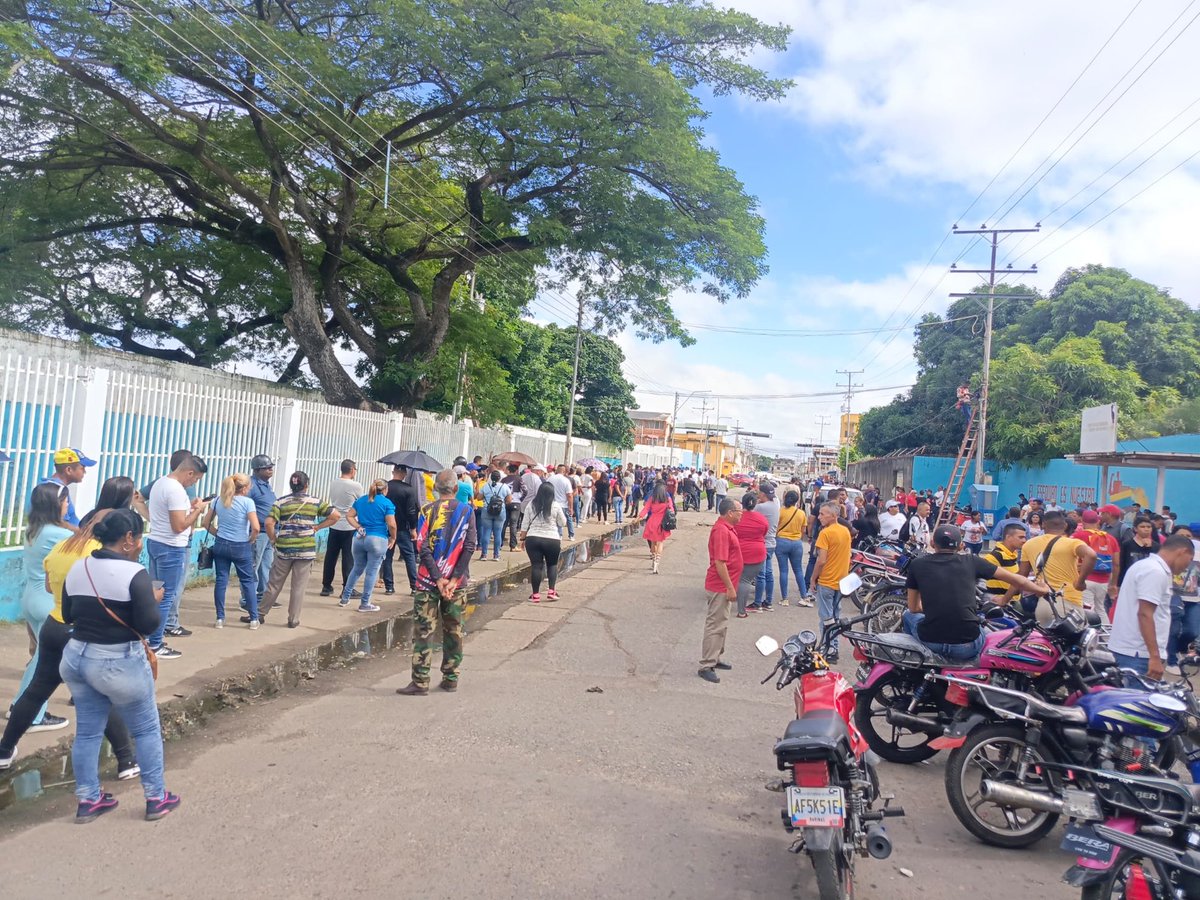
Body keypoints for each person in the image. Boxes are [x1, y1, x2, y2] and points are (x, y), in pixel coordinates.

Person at [0, 480, 140, 775]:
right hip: (85, 634)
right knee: (102, 694)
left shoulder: (63, 546)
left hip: (55, 625)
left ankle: (3, 750)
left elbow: (52, 587)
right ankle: (126, 760)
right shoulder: (98, 556)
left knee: (36, 690)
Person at [59, 508, 181, 823]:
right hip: (117, 661)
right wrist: (151, 599)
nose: (141, 543)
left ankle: (89, 800)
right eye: (139, 537)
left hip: (76, 657)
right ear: (128, 538)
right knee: (145, 729)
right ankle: (156, 797)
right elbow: (149, 623)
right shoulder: (134, 574)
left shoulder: (78, 567)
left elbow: (69, 615)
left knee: (87, 732)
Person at [905, 524, 1047, 661]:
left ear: (932, 543)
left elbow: (913, 608)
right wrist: (1042, 589)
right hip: (968, 646)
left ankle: (915, 661)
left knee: (908, 615)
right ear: (961, 545)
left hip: (931, 642)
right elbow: (1018, 580)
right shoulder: (972, 561)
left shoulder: (917, 564)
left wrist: (932, 608)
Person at [397, 469, 478, 695]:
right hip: (457, 584)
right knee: (454, 629)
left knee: (423, 631)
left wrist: (438, 578)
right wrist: (453, 578)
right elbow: (470, 546)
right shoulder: (467, 511)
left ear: (435, 489)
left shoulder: (427, 510)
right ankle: (451, 677)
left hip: (427, 582)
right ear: (455, 489)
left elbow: (421, 547)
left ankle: (420, 682)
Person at [12, 483, 74, 732]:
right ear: (55, 504)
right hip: (49, 601)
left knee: (39, 658)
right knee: (45, 664)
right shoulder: (58, 534)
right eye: (66, 501)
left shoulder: (35, 529)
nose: (68, 505)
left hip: (31, 597)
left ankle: (21, 706)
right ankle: (33, 716)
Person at [253, 471, 339, 628]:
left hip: (284, 548)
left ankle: (260, 614)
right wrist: (318, 527)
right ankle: (293, 619)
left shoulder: (280, 502)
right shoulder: (315, 502)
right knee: (298, 587)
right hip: (306, 549)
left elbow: (269, 523)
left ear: (291, 485)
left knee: (274, 584)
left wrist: (273, 539)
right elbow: (335, 515)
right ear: (306, 485)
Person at [145, 453, 210, 659]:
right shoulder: (175, 490)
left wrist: (190, 508)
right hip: (171, 548)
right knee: (165, 597)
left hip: (156, 543)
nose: (194, 482)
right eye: (196, 478)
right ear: (189, 472)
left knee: (156, 593)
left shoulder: (160, 484)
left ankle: (149, 638)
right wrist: (198, 510)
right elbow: (179, 526)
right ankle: (155, 644)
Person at [1108, 534, 1196, 679]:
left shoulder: (1146, 566)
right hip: (1138, 653)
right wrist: (1154, 657)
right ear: (1182, 552)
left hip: (1135, 651)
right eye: (1190, 560)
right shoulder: (1155, 571)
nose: (1188, 566)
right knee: (1137, 699)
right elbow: (1145, 614)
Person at [202, 473, 260, 629]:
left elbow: (205, 522)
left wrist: (217, 534)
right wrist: (251, 539)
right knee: (247, 581)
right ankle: (254, 619)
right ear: (245, 488)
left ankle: (220, 618)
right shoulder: (248, 502)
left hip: (221, 544)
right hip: (241, 545)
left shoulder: (218, 501)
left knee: (221, 580)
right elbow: (256, 527)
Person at [698, 498, 744, 683]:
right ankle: (706, 664)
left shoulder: (727, 529)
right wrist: (730, 587)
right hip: (720, 586)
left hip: (725, 584)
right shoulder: (721, 531)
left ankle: (715, 656)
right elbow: (720, 562)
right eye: (739, 511)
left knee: (722, 623)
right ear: (730, 513)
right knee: (715, 625)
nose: (742, 515)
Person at [1014, 510, 1096, 612]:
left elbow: (1021, 576)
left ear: (1043, 524)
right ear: (1065, 525)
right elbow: (1091, 555)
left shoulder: (1029, 544)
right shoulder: (1073, 543)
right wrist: (1080, 582)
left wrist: (1005, 599)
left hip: (1045, 603)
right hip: (1070, 603)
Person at [340, 479, 397, 612]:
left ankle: (345, 598)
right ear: (385, 490)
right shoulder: (387, 503)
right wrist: (393, 538)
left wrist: (358, 526)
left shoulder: (361, 500)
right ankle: (365, 603)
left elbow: (349, 516)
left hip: (359, 538)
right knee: (371, 572)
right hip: (377, 539)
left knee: (356, 568)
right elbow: (392, 524)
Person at [811, 502, 852, 661]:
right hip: (841, 581)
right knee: (834, 616)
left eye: (823, 514)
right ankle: (833, 648)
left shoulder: (825, 533)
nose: (819, 517)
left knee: (826, 618)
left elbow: (821, 561)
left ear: (834, 516)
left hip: (827, 581)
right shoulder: (845, 531)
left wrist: (813, 579)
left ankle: (829, 648)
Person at [320, 459, 363, 598]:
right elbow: (360, 503)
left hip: (334, 523)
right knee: (348, 558)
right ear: (352, 470)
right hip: (349, 525)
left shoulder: (333, 482)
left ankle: (326, 586)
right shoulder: (356, 486)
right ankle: (347, 588)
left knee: (330, 556)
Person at [519, 481, 568, 602]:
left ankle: (535, 595)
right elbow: (563, 523)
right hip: (552, 539)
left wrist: (522, 539)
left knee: (536, 566)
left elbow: (524, 524)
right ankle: (551, 591)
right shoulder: (555, 505)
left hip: (533, 538)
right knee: (552, 565)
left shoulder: (531, 504)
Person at [1072, 509, 1121, 613]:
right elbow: (1116, 564)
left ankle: (1091, 629)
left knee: (1087, 610)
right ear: (1098, 521)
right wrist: (1113, 584)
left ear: (1082, 521)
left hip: (1084, 579)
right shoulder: (1110, 538)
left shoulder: (1078, 536)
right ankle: (1106, 629)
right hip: (1104, 580)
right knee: (1101, 609)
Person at [382, 464, 421, 595]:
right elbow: (411, 511)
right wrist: (413, 528)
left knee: (387, 556)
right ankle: (414, 586)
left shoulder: (384, 488)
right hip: (402, 528)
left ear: (393, 472)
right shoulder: (408, 489)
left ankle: (389, 587)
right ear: (404, 474)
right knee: (409, 556)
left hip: (386, 527)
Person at [248, 455, 277, 610]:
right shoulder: (251, 486)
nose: (270, 470)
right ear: (258, 470)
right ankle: (247, 600)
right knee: (253, 567)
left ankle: (262, 596)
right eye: (267, 468)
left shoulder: (266, 485)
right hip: (257, 531)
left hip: (268, 531)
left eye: (271, 467)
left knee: (265, 567)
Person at [41, 447, 96, 528]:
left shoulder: (56, 487)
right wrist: (82, 534)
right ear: (69, 470)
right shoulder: (55, 490)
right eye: (82, 468)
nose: (85, 472)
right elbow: (60, 523)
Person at [734, 493, 768, 618]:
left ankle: (728, 603)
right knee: (746, 580)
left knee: (736, 579)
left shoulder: (737, 517)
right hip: (757, 553)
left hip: (737, 551)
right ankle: (742, 611)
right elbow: (764, 532)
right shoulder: (761, 518)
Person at [775, 489, 811, 608]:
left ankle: (785, 598)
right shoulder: (801, 513)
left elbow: (775, 528)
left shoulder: (780, 511)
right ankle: (804, 596)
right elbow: (803, 530)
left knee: (783, 571)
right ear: (797, 500)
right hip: (796, 543)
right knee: (798, 570)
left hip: (781, 541)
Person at [750, 482, 780, 612]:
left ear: (762, 494)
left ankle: (757, 603)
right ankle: (768, 601)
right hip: (772, 542)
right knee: (769, 573)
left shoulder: (761, 507)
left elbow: (749, 512)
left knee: (760, 575)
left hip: (763, 543)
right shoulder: (776, 505)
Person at [983, 523, 1027, 598]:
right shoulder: (994, 557)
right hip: (1002, 603)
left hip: (1013, 600)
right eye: (1021, 537)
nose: (1024, 540)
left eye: (1024, 537)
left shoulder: (1013, 554)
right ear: (1008, 537)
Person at [640, 481, 676, 575]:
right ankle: (657, 563)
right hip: (662, 523)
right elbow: (671, 509)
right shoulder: (667, 498)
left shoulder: (652, 498)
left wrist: (638, 517)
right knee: (660, 542)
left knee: (653, 543)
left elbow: (645, 509)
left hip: (652, 522)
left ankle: (653, 559)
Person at [476, 469, 510, 562]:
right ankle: (496, 555)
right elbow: (509, 500)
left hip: (487, 511)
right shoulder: (504, 487)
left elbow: (479, 498)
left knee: (486, 532)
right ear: (500, 478)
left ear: (491, 478)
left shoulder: (486, 486)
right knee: (498, 533)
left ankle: (484, 554)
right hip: (500, 512)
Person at [1119, 516, 1160, 588]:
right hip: (1129, 582)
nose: (1146, 529)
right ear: (1135, 529)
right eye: (1142, 527)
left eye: (1148, 527)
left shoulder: (1157, 546)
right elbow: (1121, 565)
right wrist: (1118, 584)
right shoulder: (1127, 544)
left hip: (1149, 583)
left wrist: (1149, 548)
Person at [549, 465, 576, 540]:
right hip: (563, 504)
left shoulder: (550, 479)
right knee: (567, 519)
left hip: (551, 503)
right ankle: (571, 535)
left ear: (557, 470)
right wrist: (571, 507)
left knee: (553, 520)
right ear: (564, 471)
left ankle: (557, 535)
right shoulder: (565, 480)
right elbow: (570, 495)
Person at [501, 463, 523, 549]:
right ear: (516, 471)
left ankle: (500, 543)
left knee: (503, 523)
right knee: (513, 524)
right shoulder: (519, 479)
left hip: (505, 502)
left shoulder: (503, 480)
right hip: (516, 503)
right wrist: (520, 499)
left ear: (509, 470)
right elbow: (525, 490)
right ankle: (513, 546)